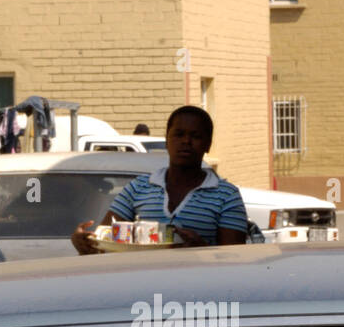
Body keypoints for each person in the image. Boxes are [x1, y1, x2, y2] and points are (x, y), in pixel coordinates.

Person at [71, 105, 248, 253]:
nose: (186, 141)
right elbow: (107, 237)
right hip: (143, 286)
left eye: (195, 136)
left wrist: (202, 249)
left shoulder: (227, 196)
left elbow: (234, 259)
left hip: (198, 290)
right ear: (167, 139)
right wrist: (85, 243)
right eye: (179, 134)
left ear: (208, 144)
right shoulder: (139, 187)